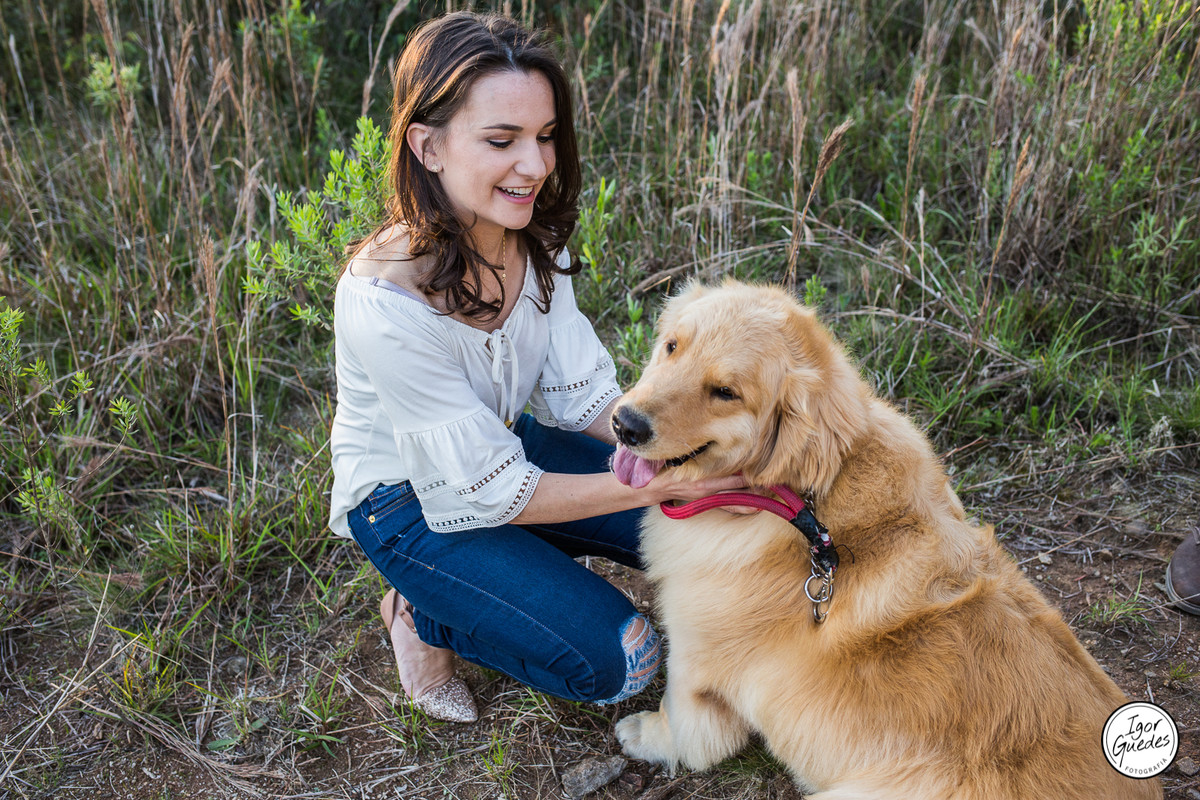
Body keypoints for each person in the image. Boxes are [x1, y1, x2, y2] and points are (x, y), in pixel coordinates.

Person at [328, 11, 750, 723]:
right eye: (502, 140)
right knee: (624, 659)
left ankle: (500, 572)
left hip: (504, 448)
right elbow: (493, 490)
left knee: (722, 530)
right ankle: (420, 617)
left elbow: (587, 400)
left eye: (545, 136)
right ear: (427, 146)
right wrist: (657, 487)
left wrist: (691, 460)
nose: (536, 165)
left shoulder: (529, 241)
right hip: (407, 503)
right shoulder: (381, 301)